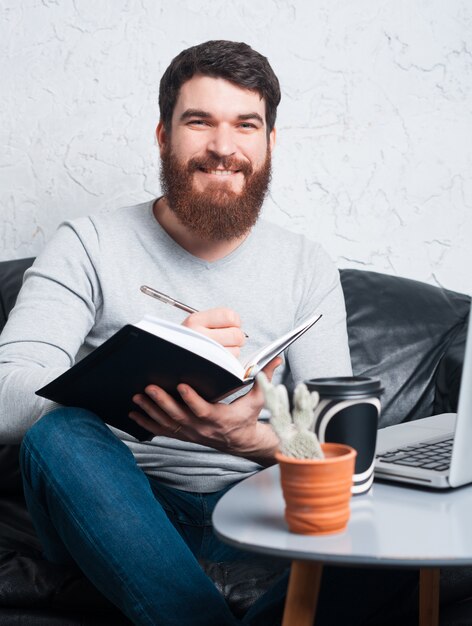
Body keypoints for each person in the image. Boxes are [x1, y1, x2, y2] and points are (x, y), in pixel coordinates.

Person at [0, 41, 353, 625]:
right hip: (116, 509)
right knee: (58, 434)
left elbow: (336, 441)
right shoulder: (86, 243)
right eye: (199, 122)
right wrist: (148, 371)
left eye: (246, 124)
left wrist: (247, 440)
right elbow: (9, 393)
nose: (223, 147)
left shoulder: (306, 267)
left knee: (402, 540)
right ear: (163, 136)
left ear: (269, 143)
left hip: (256, 512)